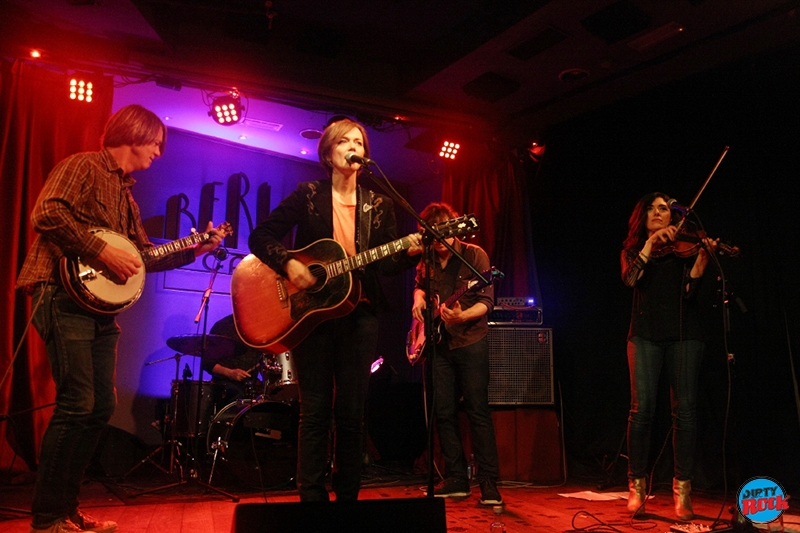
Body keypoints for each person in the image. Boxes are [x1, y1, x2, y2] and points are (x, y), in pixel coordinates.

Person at [16, 104, 223, 533]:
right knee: (77, 404)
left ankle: (67, 510)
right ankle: (47, 516)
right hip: (61, 294)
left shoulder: (125, 195)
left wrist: (195, 248)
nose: (159, 154)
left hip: (98, 307)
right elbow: (47, 213)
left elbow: (142, 259)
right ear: (135, 134)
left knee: (99, 406)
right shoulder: (84, 166)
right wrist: (98, 250)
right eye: (156, 144)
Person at [247, 118, 423, 502]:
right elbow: (259, 236)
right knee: (315, 412)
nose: (353, 146)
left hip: (359, 315)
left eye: (359, 141)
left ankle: (347, 498)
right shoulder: (307, 194)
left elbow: (386, 265)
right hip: (311, 315)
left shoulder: (380, 204)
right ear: (328, 152)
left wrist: (409, 255)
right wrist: (289, 264)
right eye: (344, 141)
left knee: (351, 412)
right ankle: (311, 497)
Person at [621, 192, 717, 520]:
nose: (659, 213)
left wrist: (702, 261)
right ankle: (636, 489)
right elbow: (631, 278)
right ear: (643, 216)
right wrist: (649, 246)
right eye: (652, 208)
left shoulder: (683, 246)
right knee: (642, 410)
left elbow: (690, 292)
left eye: (664, 208)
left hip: (685, 336)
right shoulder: (633, 250)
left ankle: (683, 490)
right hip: (644, 336)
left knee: (686, 412)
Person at [411, 202, 503, 506]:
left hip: (471, 341)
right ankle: (456, 479)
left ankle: (489, 483)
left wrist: (463, 316)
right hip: (438, 346)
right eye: (434, 235)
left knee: (478, 412)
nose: (439, 241)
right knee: (443, 413)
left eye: (444, 233)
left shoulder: (475, 255)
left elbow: (486, 302)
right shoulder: (427, 259)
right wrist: (418, 299)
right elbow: (419, 287)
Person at [203, 314, 267, 404]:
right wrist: (230, 373)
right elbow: (207, 362)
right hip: (225, 382)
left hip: (251, 382)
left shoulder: (260, 328)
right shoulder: (223, 326)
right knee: (237, 394)